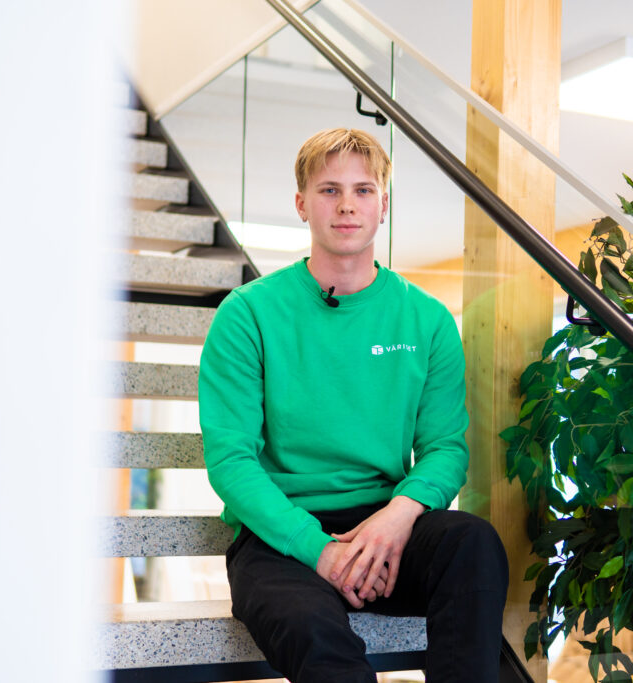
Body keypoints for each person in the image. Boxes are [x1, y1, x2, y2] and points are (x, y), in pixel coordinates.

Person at [198, 128, 509, 683]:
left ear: (383, 205)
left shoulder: (428, 319)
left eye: (364, 190)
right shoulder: (247, 314)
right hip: (280, 538)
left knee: (473, 544)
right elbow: (231, 461)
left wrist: (398, 516)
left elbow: (444, 449)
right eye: (330, 190)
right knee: (314, 635)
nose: (347, 205)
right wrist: (321, 551)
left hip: (387, 525)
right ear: (302, 204)